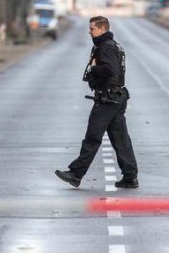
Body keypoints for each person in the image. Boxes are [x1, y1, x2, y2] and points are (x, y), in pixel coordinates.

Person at [55, 16, 138, 188]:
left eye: (92, 29)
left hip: (108, 99)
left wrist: (94, 69)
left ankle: (76, 174)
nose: (89, 31)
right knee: (121, 140)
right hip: (117, 97)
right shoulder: (113, 45)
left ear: (102, 29)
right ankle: (130, 177)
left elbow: (110, 69)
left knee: (92, 138)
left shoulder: (106, 47)